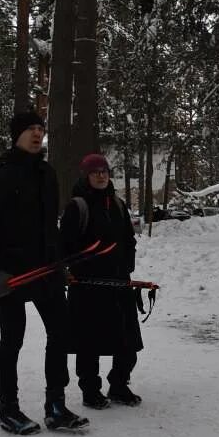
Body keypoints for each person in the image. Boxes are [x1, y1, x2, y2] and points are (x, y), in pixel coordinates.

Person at [0, 109, 89, 435]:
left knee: (61, 333)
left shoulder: (47, 173)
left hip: (45, 270)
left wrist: (59, 263)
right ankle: (8, 406)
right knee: (12, 339)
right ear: (16, 134)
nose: (37, 134)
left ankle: (55, 404)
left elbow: (51, 227)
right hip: (11, 274)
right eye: (31, 129)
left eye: (40, 128)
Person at [59, 153, 143, 409]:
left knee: (127, 340)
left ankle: (119, 384)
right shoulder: (78, 206)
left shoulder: (117, 203)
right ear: (86, 176)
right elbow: (65, 246)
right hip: (87, 286)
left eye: (104, 170)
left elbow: (128, 240)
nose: (101, 175)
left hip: (118, 283)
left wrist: (126, 264)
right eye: (95, 171)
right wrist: (75, 270)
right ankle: (90, 390)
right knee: (89, 342)